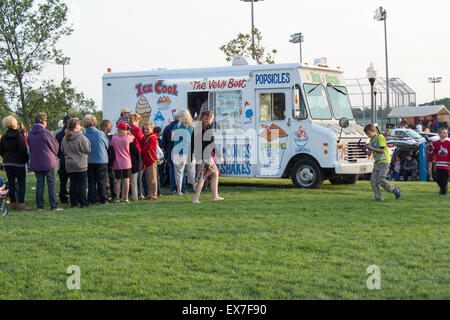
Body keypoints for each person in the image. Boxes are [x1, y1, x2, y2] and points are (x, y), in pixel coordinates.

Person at [28, 112, 63, 211]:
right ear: (43, 122)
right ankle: (53, 206)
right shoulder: (46, 132)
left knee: (39, 184)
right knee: (51, 184)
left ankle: (40, 206)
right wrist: (54, 154)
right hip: (48, 161)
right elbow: (55, 146)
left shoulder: (30, 133)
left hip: (36, 161)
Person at [191, 111, 224, 204]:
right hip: (205, 156)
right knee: (204, 177)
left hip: (199, 156)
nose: (213, 119)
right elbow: (211, 144)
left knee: (213, 174)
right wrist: (219, 155)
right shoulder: (209, 128)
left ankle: (214, 196)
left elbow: (192, 143)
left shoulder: (196, 128)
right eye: (212, 117)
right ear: (208, 118)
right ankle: (197, 198)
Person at [363, 123, 401, 201]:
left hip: (384, 161)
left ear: (373, 131)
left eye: (369, 133)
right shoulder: (371, 140)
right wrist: (364, 149)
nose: (368, 135)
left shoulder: (379, 137)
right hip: (377, 163)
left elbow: (382, 150)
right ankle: (379, 198)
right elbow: (369, 153)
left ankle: (394, 189)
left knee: (381, 179)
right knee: (373, 182)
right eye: (367, 134)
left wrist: (371, 148)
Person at [0, 115, 30, 210]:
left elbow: (1, 149)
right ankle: (21, 203)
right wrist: (25, 160)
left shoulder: (4, 136)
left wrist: (5, 157)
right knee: (21, 183)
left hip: (8, 162)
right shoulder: (19, 135)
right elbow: (23, 149)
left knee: (11, 183)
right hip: (19, 162)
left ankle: (13, 202)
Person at [61, 118, 91, 208]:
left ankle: (73, 202)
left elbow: (62, 149)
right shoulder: (81, 137)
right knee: (82, 184)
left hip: (69, 163)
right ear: (77, 126)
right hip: (80, 163)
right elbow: (87, 149)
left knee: (73, 184)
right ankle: (83, 202)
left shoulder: (65, 137)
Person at [83, 115, 109, 205]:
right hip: (101, 160)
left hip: (89, 161)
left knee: (91, 181)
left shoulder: (83, 135)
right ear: (95, 122)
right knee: (101, 181)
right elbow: (106, 146)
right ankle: (103, 199)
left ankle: (91, 199)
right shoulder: (101, 134)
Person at [172, 110, 195, 195]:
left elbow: (173, 138)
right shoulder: (192, 127)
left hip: (178, 151)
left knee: (178, 172)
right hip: (189, 151)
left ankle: (179, 191)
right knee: (191, 171)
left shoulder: (176, 126)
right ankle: (194, 188)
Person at [110, 122, 134, 203]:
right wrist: (129, 133)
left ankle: (117, 197)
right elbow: (133, 137)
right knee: (126, 180)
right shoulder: (128, 138)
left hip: (117, 162)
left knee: (118, 180)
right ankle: (126, 197)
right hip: (127, 162)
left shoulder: (114, 138)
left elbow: (111, 146)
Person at [160, 112, 182, 194]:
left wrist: (166, 150)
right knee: (181, 171)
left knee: (172, 170)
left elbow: (163, 142)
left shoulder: (167, 127)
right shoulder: (180, 127)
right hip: (179, 151)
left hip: (170, 151)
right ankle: (181, 188)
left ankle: (173, 188)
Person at [55, 115, 72, 203]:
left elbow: (56, 148)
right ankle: (73, 196)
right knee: (73, 180)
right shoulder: (73, 134)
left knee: (63, 181)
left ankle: (63, 197)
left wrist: (60, 155)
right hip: (72, 159)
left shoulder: (58, 135)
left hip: (62, 158)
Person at [141, 122, 158, 200]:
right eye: (145, 129)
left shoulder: (152, 137)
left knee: (152, 179)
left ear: (152, 129)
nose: (146, 130)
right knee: (148, 178)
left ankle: (153, 195)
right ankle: (150, 194)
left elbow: (147, 149)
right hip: (147, 160)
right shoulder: (145, 137)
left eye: (148, 129)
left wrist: (140, 151)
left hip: (151, 160)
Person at [129, 114, 144, 200]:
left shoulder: (127, 129)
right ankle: (139, 193)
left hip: (128, 153)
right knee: (138, 174)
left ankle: (132, 193)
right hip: (137, 152)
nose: (138, 122)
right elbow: (142, 141)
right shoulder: (137, 129)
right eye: (138, 120)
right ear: (135, 120)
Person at [432, 127, 450, 195]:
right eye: (444, 132)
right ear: (439, 134)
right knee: (437, 178)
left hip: (447, 165)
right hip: (439, 164)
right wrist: (430, 148)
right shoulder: (435, 143)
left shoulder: (449, 143)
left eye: (446, 132)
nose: (446, 134)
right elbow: (432, 153)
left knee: (444, 180)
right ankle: (443, 189)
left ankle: (443, 191)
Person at [100, 120, 115, 200]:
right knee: (104, 178)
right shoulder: (101, 135)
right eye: (110, 126)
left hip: (110, 160)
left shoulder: (111, 136)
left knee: (112, 177)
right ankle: (104, 194)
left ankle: (113, 194)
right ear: (105, 126)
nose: (111, 127)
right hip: (104, 160)